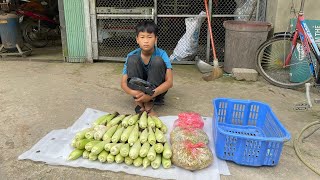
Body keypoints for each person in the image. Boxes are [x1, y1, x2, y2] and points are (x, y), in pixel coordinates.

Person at [121, 20, 173, 116]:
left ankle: (149, 104)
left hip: (156, 93)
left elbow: (169, 82)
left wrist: (150, 95)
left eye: (149, 37)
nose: (146, 41)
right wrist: (134, 93)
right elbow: (123, 83)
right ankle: (139, 103)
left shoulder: (162, 54)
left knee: (157, 61)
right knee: (133, 60)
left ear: (155, 39)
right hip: (138, 93)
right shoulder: (131, 55)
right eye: (142, 37)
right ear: (137, 39)